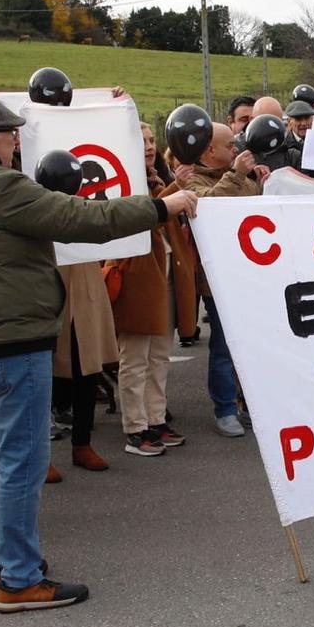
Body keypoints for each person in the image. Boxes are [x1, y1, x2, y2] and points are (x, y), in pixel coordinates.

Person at [0, 97, 196, 613]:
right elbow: (81, 217)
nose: (16, 141)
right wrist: (162, 206)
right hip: (9, 341)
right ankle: (18, 580)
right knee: (20, 463)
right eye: (8, 134)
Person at [180, 121, 263, 437]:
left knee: (251, 345)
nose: (236, 150)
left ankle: (248, 403)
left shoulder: (237, 176)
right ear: (208, 151)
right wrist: (239, 174)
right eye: (229, 146)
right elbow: (210, 205)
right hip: (217, 279)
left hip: (249, 273)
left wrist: (260, 183)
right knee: (224, 347)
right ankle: (225, 408)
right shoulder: (193, 180)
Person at [109, 121, 182, 457]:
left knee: (160, 353)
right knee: (135, 356)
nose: (150, 146)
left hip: (164, 271)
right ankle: (135, 427)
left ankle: (155, 417)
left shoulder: (157, 179)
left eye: (153, 140)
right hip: (138, 275)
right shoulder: (124, 184)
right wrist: (176, 192)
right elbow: (145, 217)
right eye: (142, 141)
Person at [53, 255, 116, 471]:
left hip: (85, 282)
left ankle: (82, 444)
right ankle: (40, 456)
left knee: (87, 369)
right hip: (49, 281)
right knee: (45, 374)